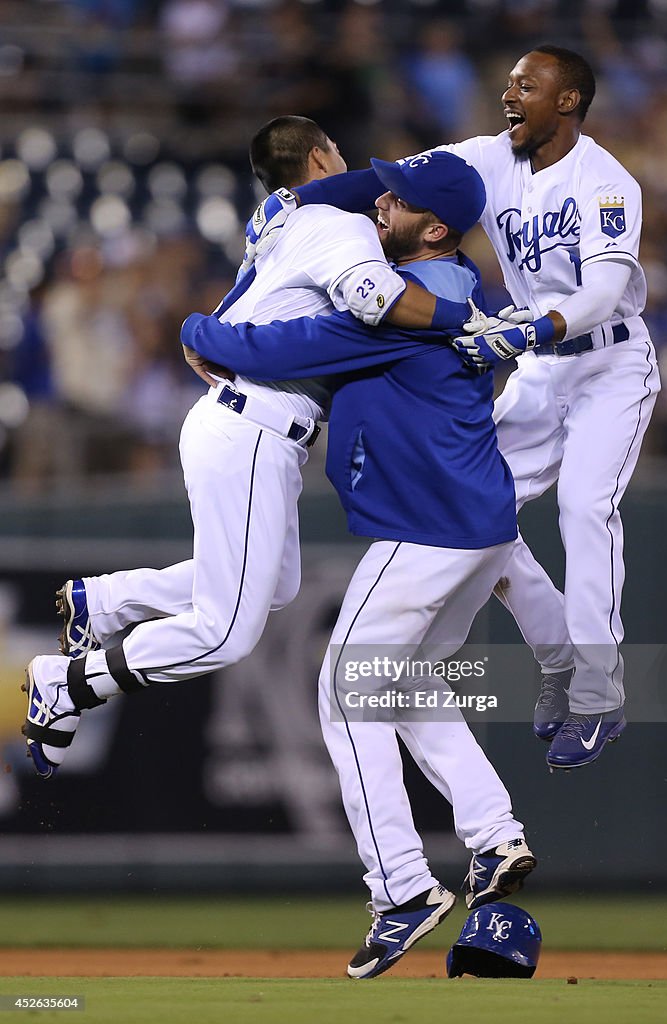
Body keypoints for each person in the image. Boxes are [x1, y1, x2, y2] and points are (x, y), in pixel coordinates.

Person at [21, 116, 479, 781]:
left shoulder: (284, 216)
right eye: (349, 163)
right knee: (226, 630)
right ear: (321, 157)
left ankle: (108, 601)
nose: (378, 195)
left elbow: (257, 285)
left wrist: (201, 330)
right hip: (253, 424)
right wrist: (469, 319)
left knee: (274, 584)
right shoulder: (339, 228)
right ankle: (72, 681)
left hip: (240, 419)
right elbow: (376, 299)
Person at [242, 45, 661, 771]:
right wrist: (295, 201)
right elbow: (386, 180)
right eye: (508, 82)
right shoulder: (487, 156)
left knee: (585, 509)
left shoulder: (605, 182)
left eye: (526, 86)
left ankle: (599, 694)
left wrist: (533, 327)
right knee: (484, 512)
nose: (509, 94)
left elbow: (598, 296)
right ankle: (561, 657)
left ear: (567, 101)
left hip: (609, 361)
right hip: (535, 363)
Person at [181, 150, 536, 980]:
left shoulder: (404, 309)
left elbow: (277, 348)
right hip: (477, 526)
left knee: (344, 688)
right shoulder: (456, 290)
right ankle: (492, 833)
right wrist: (307, 193)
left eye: (402, 199)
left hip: (428, 529)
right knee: (400, 683)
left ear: (437, 228)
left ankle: (402, 888)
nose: (383, 200)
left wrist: (197, 329)